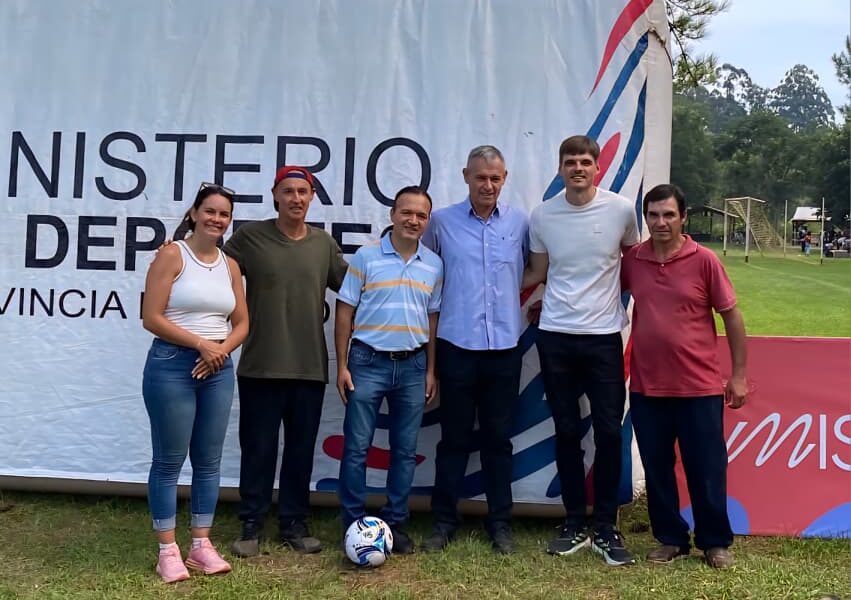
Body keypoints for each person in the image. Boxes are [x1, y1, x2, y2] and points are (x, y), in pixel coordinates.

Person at [523, 135, 640, 566]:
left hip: (604, 337)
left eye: (585, 162)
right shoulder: (543, 215)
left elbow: (635, 265)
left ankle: (606, 526)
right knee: (567, 430)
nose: (578, 168)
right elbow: (537, 271)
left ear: (597, 167)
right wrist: (486, 288)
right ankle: (573, 522)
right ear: (560, 168)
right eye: (570, 161)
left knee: (609, 433)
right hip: (555, 336)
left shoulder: (621, 210)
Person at [621, 184, 748, 569]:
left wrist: (739, 375)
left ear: (683, 218)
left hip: (699, 387)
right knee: (657, 468)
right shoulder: (634, 260)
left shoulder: (704, 260)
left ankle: (715, 542)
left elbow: (732, 317)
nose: (661, 222)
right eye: (653, 215)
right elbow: (597, 291)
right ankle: (671, 539)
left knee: (706, 468)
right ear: (645, 218)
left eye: (669, 215)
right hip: (647, 387)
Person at [225, 166, 348, 557]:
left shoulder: (323, 245)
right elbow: (210, 267)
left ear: (312, 197)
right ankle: (251, 523)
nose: (296, 198)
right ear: (275, 195)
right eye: (289, 191)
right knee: (258, 449)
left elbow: (356, 288)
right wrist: (174, 252)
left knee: (300, 451)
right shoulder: (249, 238)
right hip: (260, 365)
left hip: (309, 367)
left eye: (303, 191)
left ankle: (294, 523)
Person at [420, 145, 529, 555]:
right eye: (480, 177)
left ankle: (499, 522)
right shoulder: (441, 222)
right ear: (466, 175)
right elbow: (426, 273)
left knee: (499, 440)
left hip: (504, 347)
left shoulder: (519, 223)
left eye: (495, 178)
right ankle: (444, 521)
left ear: (504, 179)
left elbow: (532, 268)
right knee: (454, 438)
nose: (488, 185)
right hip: (457, 346)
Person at [141, 182, 249, 583]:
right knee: (169, 460)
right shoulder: (172, 255)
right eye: (210, 211)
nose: (216, 219)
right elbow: (152, 317)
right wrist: (201, 345)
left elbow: (243, 322)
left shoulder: (230, 265)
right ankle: (167, 550)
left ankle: (201, 545)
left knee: (208, 460)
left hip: (217, 368)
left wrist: (219, 351)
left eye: (224, 214)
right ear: (194, 213)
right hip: (173, 365)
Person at [335, 186, 443, 554]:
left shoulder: (434, 264)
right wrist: (342, 365)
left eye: (421, 215)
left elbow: (432, 318)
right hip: (367, 362)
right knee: (356, 448)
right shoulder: (366, 257)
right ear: (392, 215)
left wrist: (431, 370)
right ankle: (353, 523)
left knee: (404, 450)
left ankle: (395, 523)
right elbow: (345, 311)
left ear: (427, 221)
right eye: (406, 212)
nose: (413, 220)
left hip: (413, 366)